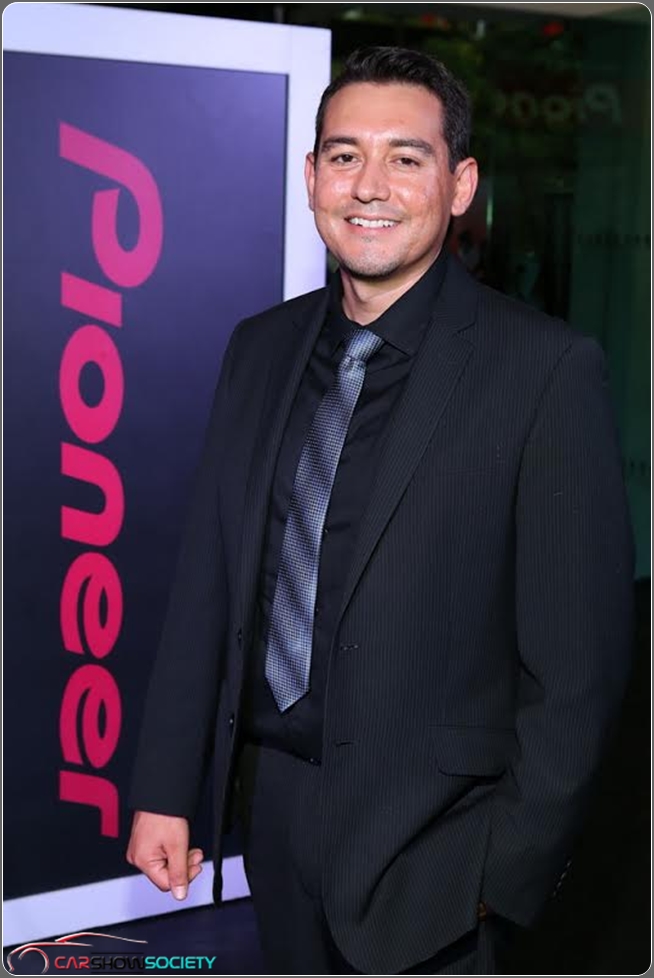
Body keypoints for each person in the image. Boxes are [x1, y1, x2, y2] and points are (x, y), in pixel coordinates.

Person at [126, 47, 635, 975]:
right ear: (311, 176)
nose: (369, 186)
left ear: (460, 185)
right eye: (344, 155)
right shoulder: (259, 350)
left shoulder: (544, 371)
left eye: (406, 157)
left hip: (441, 849)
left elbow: (579, 669)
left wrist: (504, 871)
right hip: (270, 815)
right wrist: (167, 786)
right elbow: (209, 581)